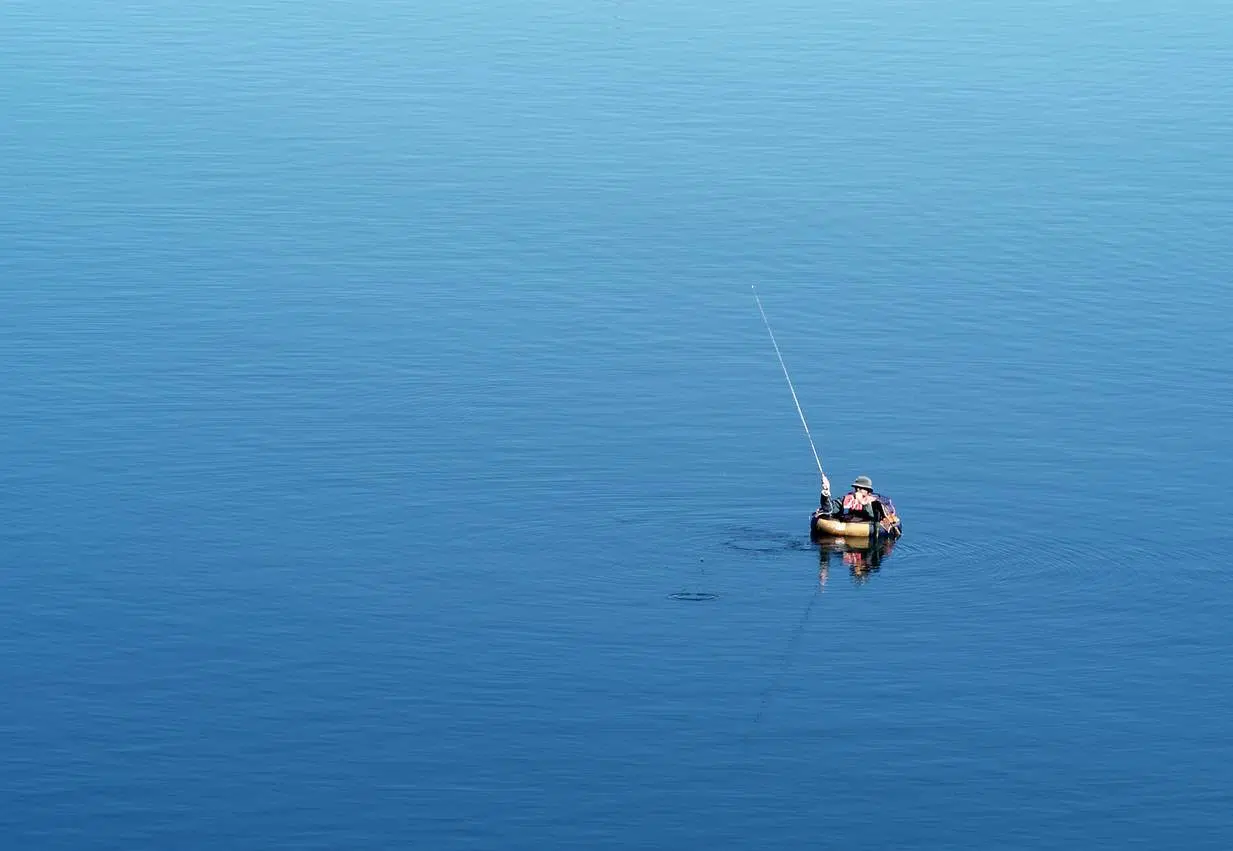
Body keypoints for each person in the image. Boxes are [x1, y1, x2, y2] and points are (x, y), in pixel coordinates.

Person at [817, 474, 900, 533]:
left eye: (861, 489)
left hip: (867, 531)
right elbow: (829, 509)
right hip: (845, 534)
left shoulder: (875, 503)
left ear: (868, 491)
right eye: (856, 488)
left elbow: (874, 518)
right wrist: (826, 493)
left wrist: (863, 503)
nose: (857, 490)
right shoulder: (847, 499)